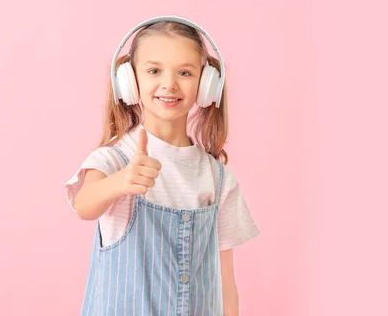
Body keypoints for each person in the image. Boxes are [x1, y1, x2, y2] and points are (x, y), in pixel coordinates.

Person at [65, 16, 260, 315]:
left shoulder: (218, 178)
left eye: (185, 72)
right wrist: (121, 182)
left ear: (206, 85)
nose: (169, 84)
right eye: (154, 70)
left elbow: (225, 283)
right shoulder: (114, 159)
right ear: (129, 82)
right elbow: (84, 205)